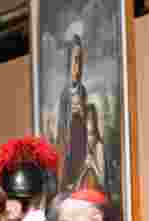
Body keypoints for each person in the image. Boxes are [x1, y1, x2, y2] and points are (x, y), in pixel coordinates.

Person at [56, 34, 89, 191]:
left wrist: (81, 112)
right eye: (75, 59)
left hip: (80, 140)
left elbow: (85, 120)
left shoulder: (82, 90)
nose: (78, 65)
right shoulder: (65, 93)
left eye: (80, 60)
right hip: (69, 145)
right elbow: (62, 126)